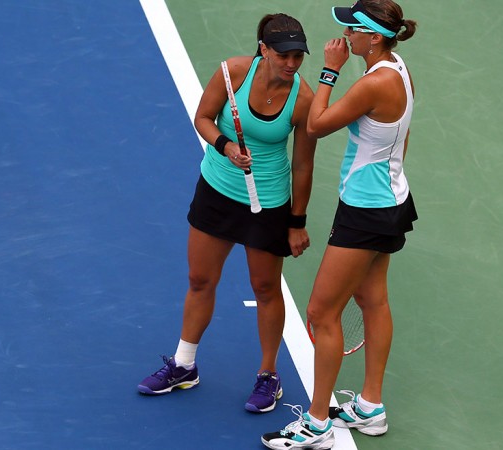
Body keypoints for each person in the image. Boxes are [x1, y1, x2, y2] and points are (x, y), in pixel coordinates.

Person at [137, 13, 317, 414]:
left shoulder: (303, 100)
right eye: (284, 55)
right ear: (264, 50)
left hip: (268, 202)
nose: (291, 63)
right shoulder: (233, 73)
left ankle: (268, 376)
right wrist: (225, 146)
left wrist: (297, 222)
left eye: (297, 56)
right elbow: (203, 117)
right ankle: (184, 364)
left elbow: (304, 165)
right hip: (218, 190)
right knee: (200, 279)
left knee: (266, 288)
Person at [261, 1, 418, 448]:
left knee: (320, 313)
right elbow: (403, 136)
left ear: (372, 37)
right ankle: (370, 407)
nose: (344, 38)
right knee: (373, 300)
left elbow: (314, 125)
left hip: (367, 211)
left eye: (352, 30)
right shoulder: (399, 68)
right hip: (391, 198)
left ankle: (316, 424)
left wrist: (329, 72)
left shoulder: (375, 83)